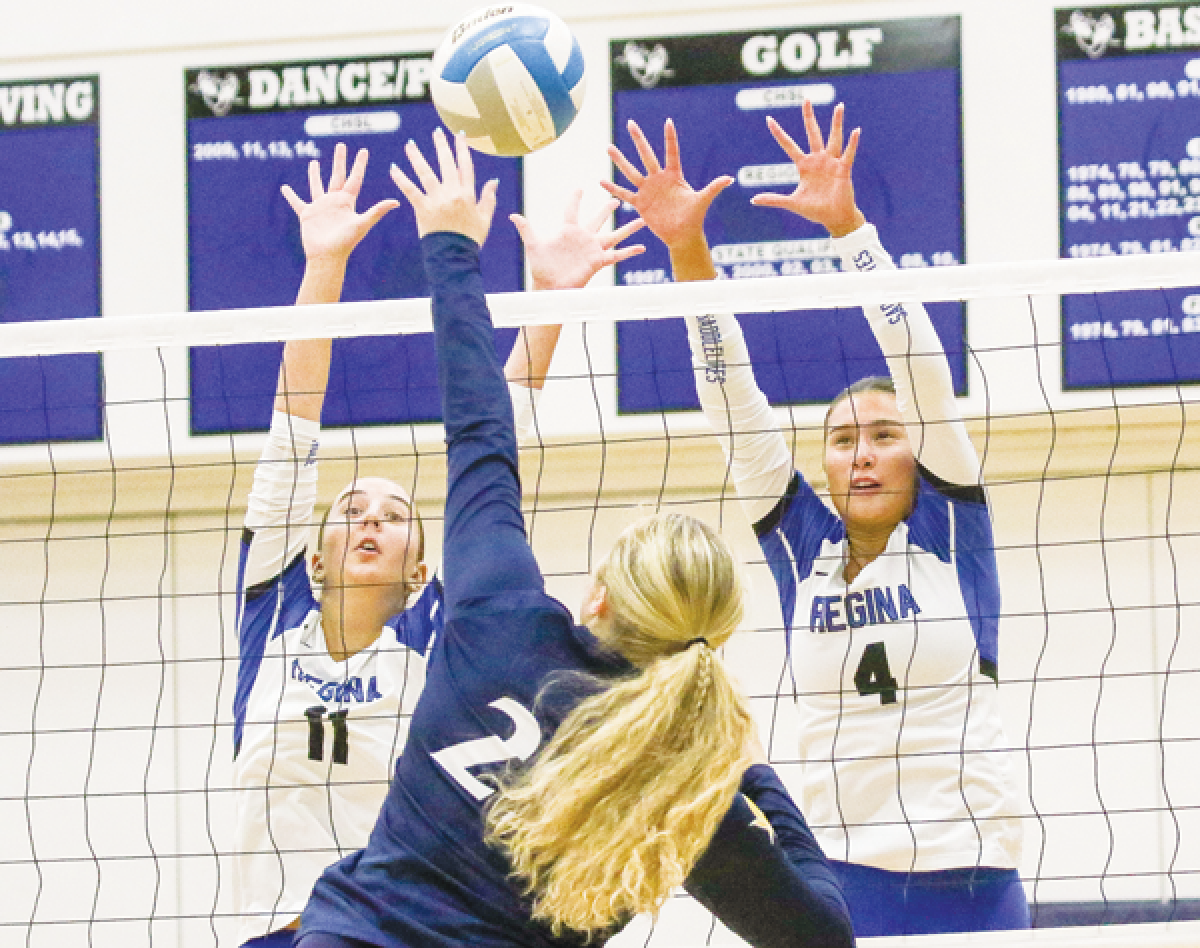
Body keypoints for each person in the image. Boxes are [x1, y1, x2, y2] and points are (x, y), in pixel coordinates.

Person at [292, 128, 853, 948]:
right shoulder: (680, 783)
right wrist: (746, 773)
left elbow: (480, 433)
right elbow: (823, 939)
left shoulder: (501, 620)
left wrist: (451, 247)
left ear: (598, 594)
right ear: (712, 639)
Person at [601, 103, 1028, 936]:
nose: (862, 453)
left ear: (920, 454)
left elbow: (920, 368)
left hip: (972, 877)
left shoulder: (950, 530)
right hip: (838, 881)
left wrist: (849, 229)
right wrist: (687, 252)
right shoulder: (805, 549)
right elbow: (733, 405)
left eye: (884, 436)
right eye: (841, 440)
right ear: (825, 464)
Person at [234, 143, 567, 948]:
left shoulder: (438, 639)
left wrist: (553, 300)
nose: (372, 520)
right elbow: (292, 436)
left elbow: (494, 444)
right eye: (351, 510)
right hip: (263, 932)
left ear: (422, 570)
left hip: (393, 931)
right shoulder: (270, 620)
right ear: (313, 558)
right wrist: (324, 267)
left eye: (394, 514)